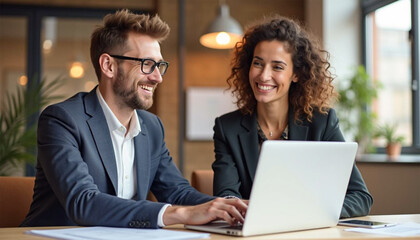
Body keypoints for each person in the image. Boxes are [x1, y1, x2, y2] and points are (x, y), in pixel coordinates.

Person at [21, 9, 247, 228]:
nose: (157, 77)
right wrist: (179, 214)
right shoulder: (62, 120)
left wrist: (230, 207)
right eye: (147, 64)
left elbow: (177, 192)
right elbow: (83, 202)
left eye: (159, 65)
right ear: (108, 65)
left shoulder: (152, 126)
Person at [212, 15, 373, 218]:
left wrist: (304, 213)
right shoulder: (227, 127)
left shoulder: (322, 123)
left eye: (277, 67)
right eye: (258, 63)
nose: (263, 75)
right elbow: (226, 196)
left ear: (296, 74)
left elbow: (360, 196)